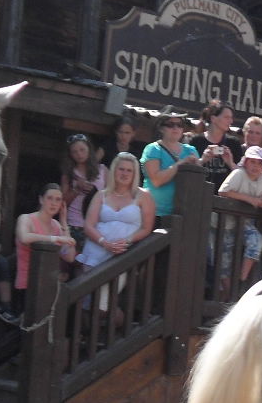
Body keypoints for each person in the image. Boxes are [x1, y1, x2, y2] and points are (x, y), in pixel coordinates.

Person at [78, 152, 156, 312]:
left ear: (134, 173)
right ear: (114, 170)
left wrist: (127, 241)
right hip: (96, 250)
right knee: (87, 298)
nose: (125, 173)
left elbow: (146, 228)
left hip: (122, 253)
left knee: (104, 302)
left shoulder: (144, 195)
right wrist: (104, 243)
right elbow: (89, 225)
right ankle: (83, 327)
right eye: (121, 169)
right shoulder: (101, 195)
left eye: (129, 170)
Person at [217, 146, 262, 281]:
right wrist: (250, 199)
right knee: (223, 263)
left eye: (260, 163)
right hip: (225, 224)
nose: (255, 166)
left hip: (244, 223)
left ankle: (241, 278)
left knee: (256, 241)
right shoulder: (238, 174)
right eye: (252, 161)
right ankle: (227, 290)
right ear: (246, 162)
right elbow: (223, 191)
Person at [14, 184, 77, 300]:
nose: (53, 203)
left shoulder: (57, 225)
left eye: (58, 200)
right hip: (26, 285)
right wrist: (54, 239)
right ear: (41, 199)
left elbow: (69, 257)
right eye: (49, 198)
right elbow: (24, 237)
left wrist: (64, 222)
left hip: (48, 287)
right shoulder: (26, 219)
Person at [141, 107, 201, 221]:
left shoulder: (191, 150)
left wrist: (200, 163)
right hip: (154, 213)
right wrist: (181, 163)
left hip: (182, 214)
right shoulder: (153, 149)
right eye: (170, 124)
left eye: (179, 125)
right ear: (161, 128)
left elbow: (197, 182)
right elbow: (157, 181)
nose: (175, 128)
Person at [60, 133, 106, 253]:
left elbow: (112, 196)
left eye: (82, 150)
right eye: (74, 152)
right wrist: (77, 189)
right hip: (74, 224)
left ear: (89, 149)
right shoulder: (68, 174)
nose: (79, 154)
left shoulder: (103, 170)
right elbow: (62, 203)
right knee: (71, 259)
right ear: (70, 155)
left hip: (97, 225)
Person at [191, 99, 241, 188]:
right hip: (199, 192)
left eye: (231, 117)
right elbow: (188, 171)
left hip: (224, 194)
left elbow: (242, 177)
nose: (231, 121)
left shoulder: (234, 143)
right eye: (226, 117)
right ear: (213, 118)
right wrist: (202, 160)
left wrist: (230, 163)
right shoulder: (196, 141)